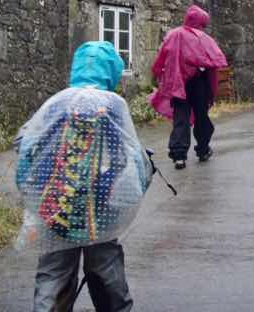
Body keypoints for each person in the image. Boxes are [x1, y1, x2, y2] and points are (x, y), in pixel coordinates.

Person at [15, 41, 153, 312]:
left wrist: (33, 192)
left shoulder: (57, 102)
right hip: (101, 209)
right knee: (106, 270)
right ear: (111, 72)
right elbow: (131, 156)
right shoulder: (113, 105)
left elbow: (25, 143)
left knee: (54, 273)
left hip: (56, 206)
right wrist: (137, 182)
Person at [149, 5, 228, 169]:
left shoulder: (173, 34)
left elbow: (161, 57)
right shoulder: (205, 39)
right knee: (202, 117)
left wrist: (158, 73)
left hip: (178, 84)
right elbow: (215, 60)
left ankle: (179, 156)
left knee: (181, 118)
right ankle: (203, 150)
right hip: (200, 83)